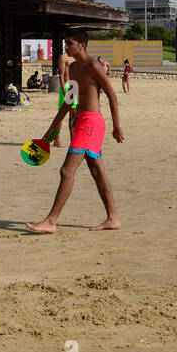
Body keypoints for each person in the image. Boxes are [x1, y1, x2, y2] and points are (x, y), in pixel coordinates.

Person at [25, 29, 125, 234]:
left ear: (82, 45)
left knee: (66, 170)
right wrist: (51, 129)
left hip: (92, 123)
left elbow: (112, 95)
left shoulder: (93, 66)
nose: (66, 47)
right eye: (65, 43)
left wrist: (116, 126)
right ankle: (113, 219)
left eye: (69, 43)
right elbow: (69, 102)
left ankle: (51, 221)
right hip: (80, 122)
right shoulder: (73, 68)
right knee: (97, 172)